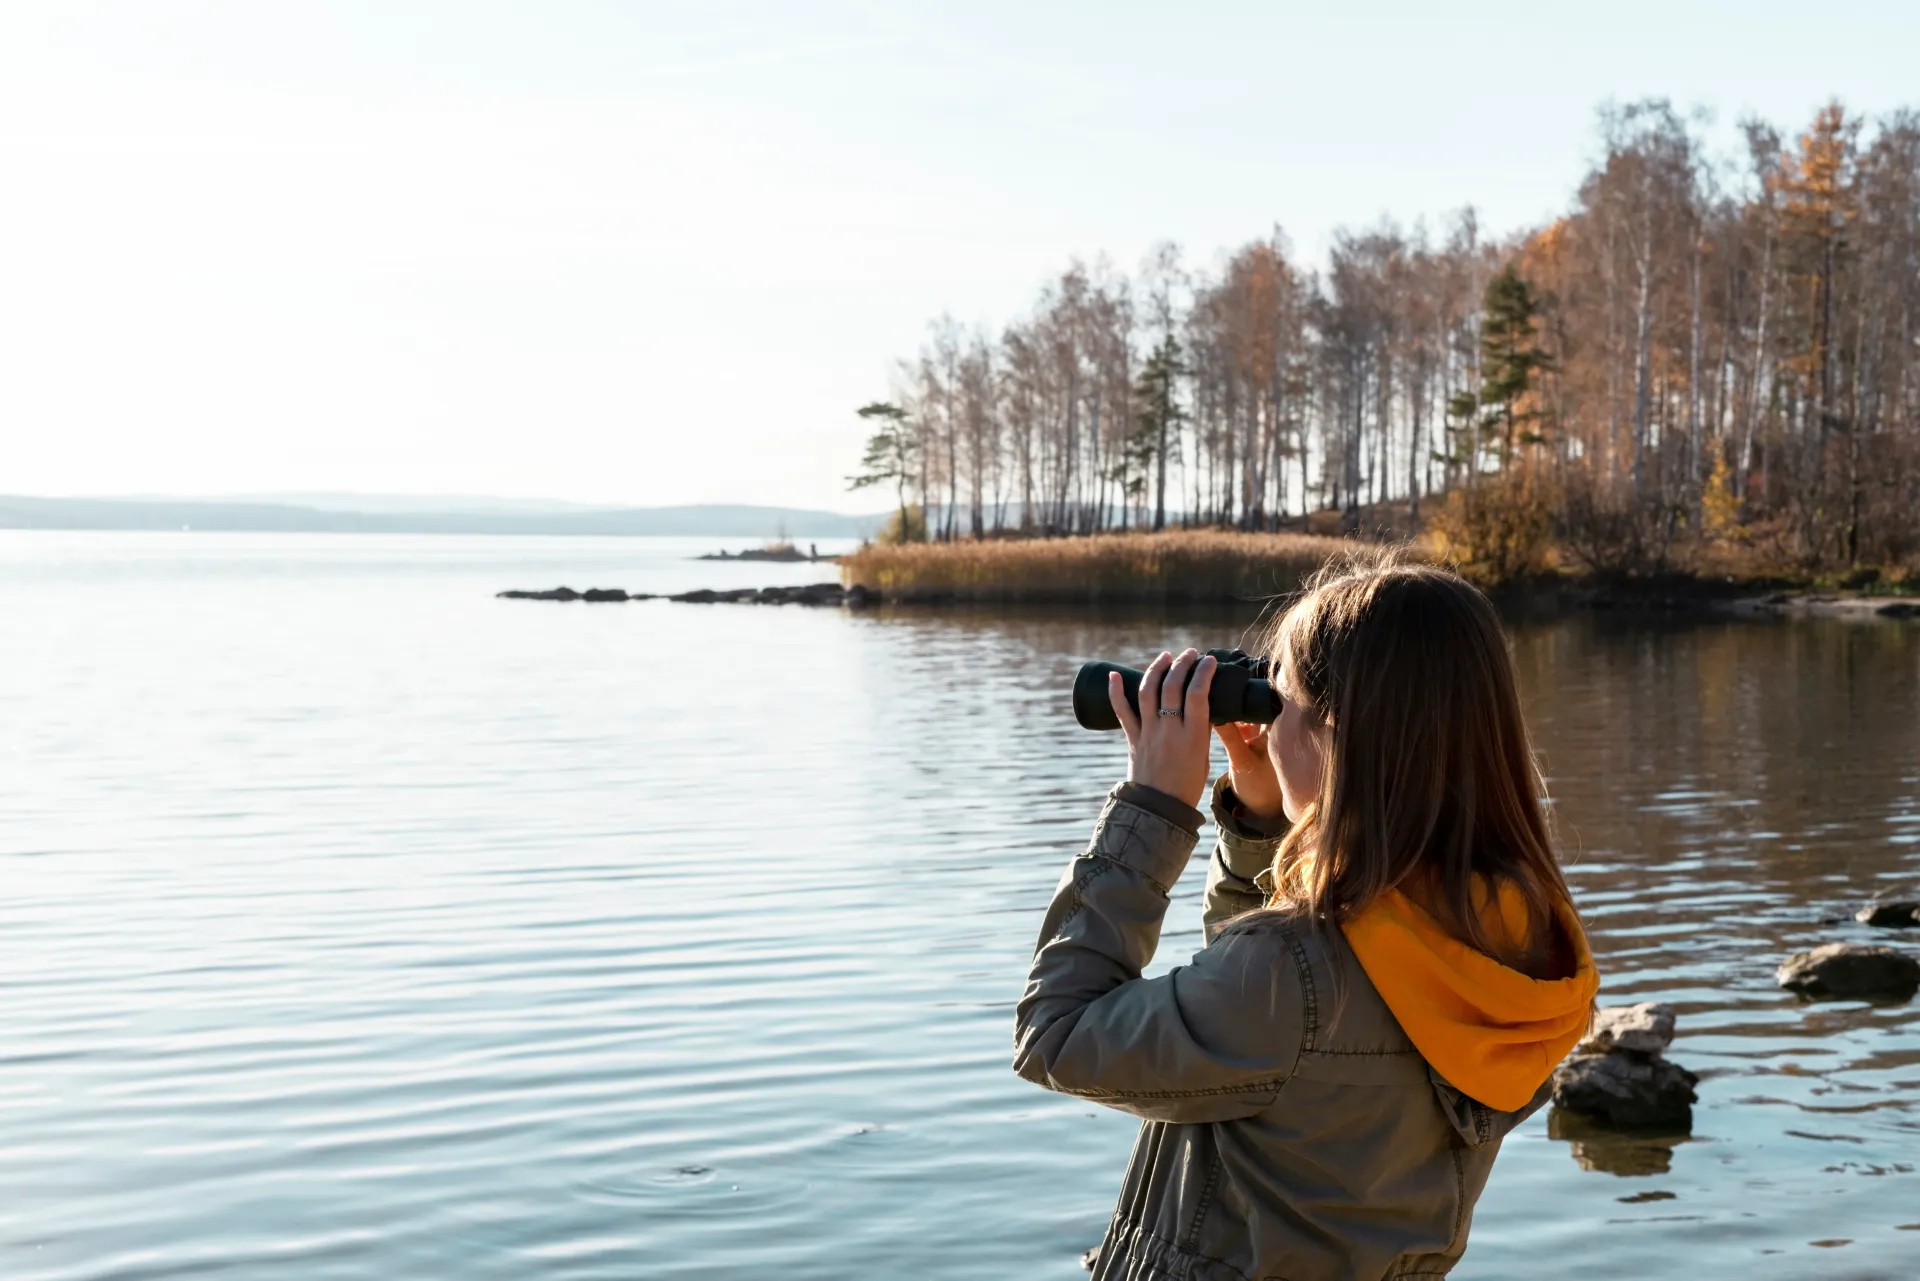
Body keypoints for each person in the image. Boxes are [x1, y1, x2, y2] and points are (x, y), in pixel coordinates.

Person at [1013, 557, 1599, 1281]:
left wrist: (1153, 808)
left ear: (1334, 732)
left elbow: (1056, 1034)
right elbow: (1252, 1022)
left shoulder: (1289, 973)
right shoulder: (1516, 943)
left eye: (1278, 696)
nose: (1266, 723)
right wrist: (1260, 822)